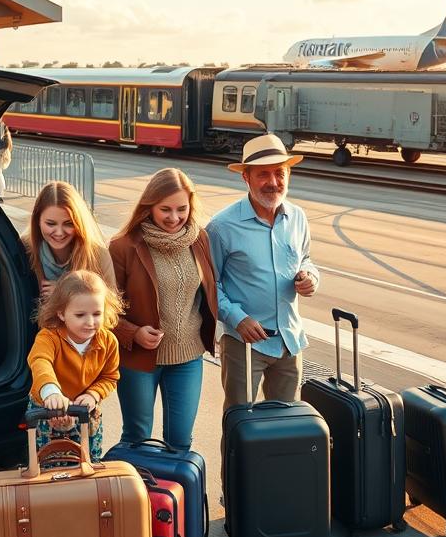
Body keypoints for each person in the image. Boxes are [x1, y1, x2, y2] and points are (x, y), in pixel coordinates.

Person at [207, 133, 319, 413]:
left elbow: (306, 259)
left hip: (289, 340)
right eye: (263, 175)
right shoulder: (222, 226)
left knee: (285, 425)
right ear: (246, 177)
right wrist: (237, 318)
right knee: (240, 422)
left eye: (279, 173)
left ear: (288, 174)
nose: (273, 182)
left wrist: (309, 276)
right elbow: (208, 284)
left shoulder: (298, 217)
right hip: (244, 344)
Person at [109, 168, 218, 451]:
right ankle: (136, 494)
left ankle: (176, 496)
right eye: (165, 209)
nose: (174, 217)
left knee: (180, 442)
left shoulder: (200, 239)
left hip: (188, 358)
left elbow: (207, 292)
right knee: (137, 437)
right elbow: (106, 310)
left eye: (182, 209)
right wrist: (133, 333)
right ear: (149, 207)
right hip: (140, 359)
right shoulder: (123, 247)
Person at [27, 270, 121, 462]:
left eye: (97, 314)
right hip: (48, 408)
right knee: (48, 462)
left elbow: (110, 377)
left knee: (88, 461)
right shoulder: (49, 337)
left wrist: (94, 394)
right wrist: (51, 392)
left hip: (84, 410)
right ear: (61, 313)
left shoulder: (108, 341)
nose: (90, 322)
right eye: (80, 315)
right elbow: (40, 362)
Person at [22, 181, 115, 301]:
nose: (59, 232)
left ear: (79, 223)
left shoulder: (98, 255)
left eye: (68, 224)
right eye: (51, 224)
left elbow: (110, 306)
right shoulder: (24, 249)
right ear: (37, 221)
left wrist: (64, 293)